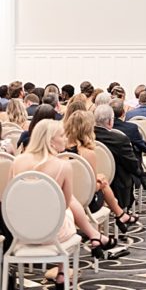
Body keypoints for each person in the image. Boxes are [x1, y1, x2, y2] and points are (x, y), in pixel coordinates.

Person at [13, 119, 115, 281]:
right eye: (62, 135)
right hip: (52, 234)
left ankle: (94, 236)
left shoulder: (17, 161)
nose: (66, 139)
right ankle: (63, 270)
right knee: (65, 208)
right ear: (51, 141)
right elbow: (65, 206)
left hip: (20, 232)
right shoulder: (63, 166)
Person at [94, 103, 143, 216]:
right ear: (110, 122)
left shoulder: (87, 137)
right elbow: (131, 164)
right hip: (117, 185)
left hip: (92, 183)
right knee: (128, 166)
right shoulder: (120, 139)